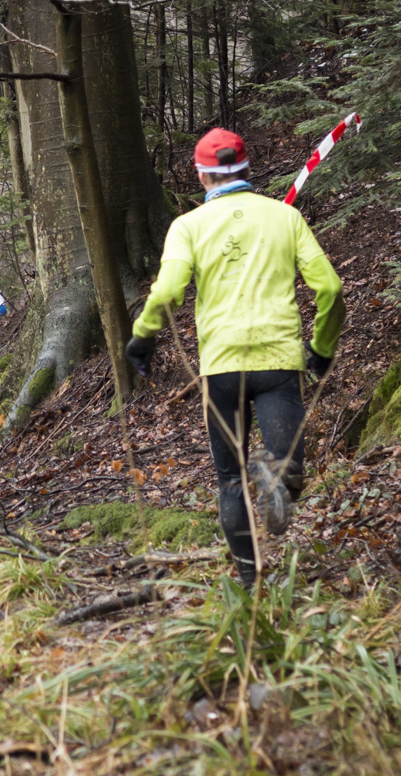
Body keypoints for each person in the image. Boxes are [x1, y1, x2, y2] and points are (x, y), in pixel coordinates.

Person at [125, 128, 345, 587]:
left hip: (222, 369)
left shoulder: (187, 227)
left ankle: (250, 581)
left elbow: (167, 291)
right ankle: (276, 473)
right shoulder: (284, 217)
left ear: (201, 174)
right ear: (246, 168)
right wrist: (321, 349)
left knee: (229, 479)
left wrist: (143, 339)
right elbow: (330, 289)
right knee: (288, 473)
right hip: (278, 362)